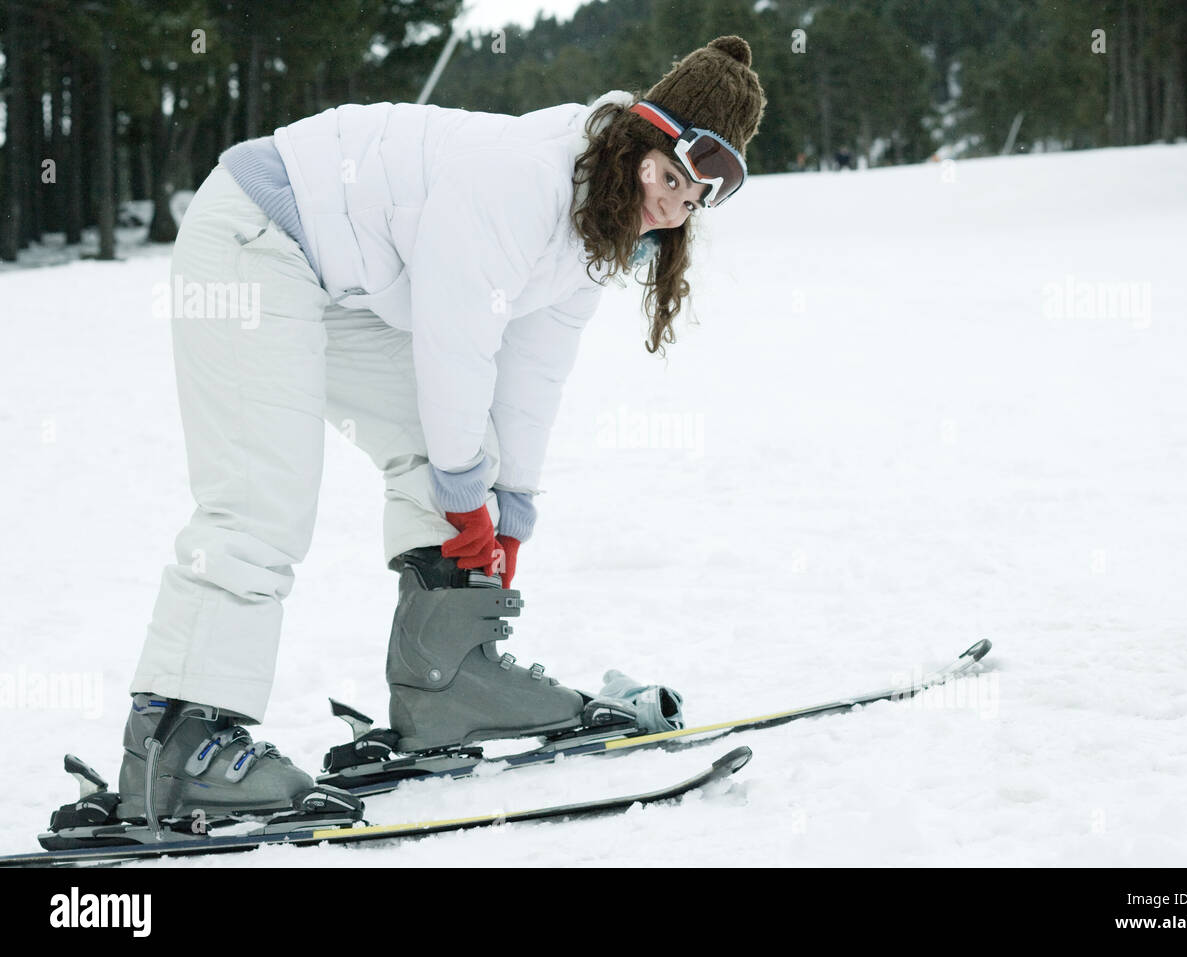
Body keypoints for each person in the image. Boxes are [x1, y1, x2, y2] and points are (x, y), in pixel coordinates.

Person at [50, 36, 767, 842]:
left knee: (451, 451)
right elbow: (455, 340)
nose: (672, 206)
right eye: (669, 177)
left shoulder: (597, 227)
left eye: (695, 198)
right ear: (637, 140)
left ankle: (447, 682)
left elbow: (532, 375)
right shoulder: (527, 177)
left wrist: (512, 512)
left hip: (336, 280)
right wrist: (468, 508)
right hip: (256, 236)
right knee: (263, 495)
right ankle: (178, 741)